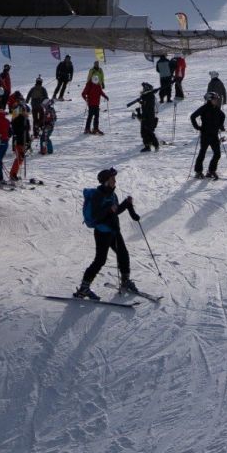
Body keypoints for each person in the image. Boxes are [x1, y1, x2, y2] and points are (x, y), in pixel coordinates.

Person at [74, 167, 143, 300]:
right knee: (100, 260)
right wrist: (109, 211)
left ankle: (125, 281)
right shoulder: (98, 196)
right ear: (106, 181)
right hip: (102, 233)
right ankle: (84, 288)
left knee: (123, 254)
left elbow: (115, 211)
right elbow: (96, 216)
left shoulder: (112, 194)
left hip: (114, 230)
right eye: (112, 179)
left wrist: (126, 204)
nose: (115, 181)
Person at [190, 91, 226, 178]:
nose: (217, 101)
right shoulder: (204, 108)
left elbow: (223, 116)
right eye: (215, 99)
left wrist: (220, 126)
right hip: (205, 134)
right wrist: (197, 127)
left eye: (217, 99)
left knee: (217, 154)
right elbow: (193, 116)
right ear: (210, 100)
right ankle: (198, 171)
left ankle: (211, 171)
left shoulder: (216, 108)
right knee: (202, 153)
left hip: (214, 135)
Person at [127, 82, 161, 152]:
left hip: (149, 117)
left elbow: (148, 107)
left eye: (144, 88)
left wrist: (142, 103)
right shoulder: (147, 96)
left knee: (149, 132)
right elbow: (145, 105)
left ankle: (156, 145)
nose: (143, 90)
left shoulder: (150, 96)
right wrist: (141, 104)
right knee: (143, 133)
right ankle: (147, 146)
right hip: (145, 117)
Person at [9, 100, 31, 182]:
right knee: (20, 157)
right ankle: (12, 174)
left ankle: (14, 173)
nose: (27, 114)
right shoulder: (17, 119)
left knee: (21, 158)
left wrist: (28, 142)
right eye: (26, 112)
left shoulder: (26, 119)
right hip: (18, 140)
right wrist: (23, 128)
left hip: (24, 140)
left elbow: (27, 131)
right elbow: (15, 130)